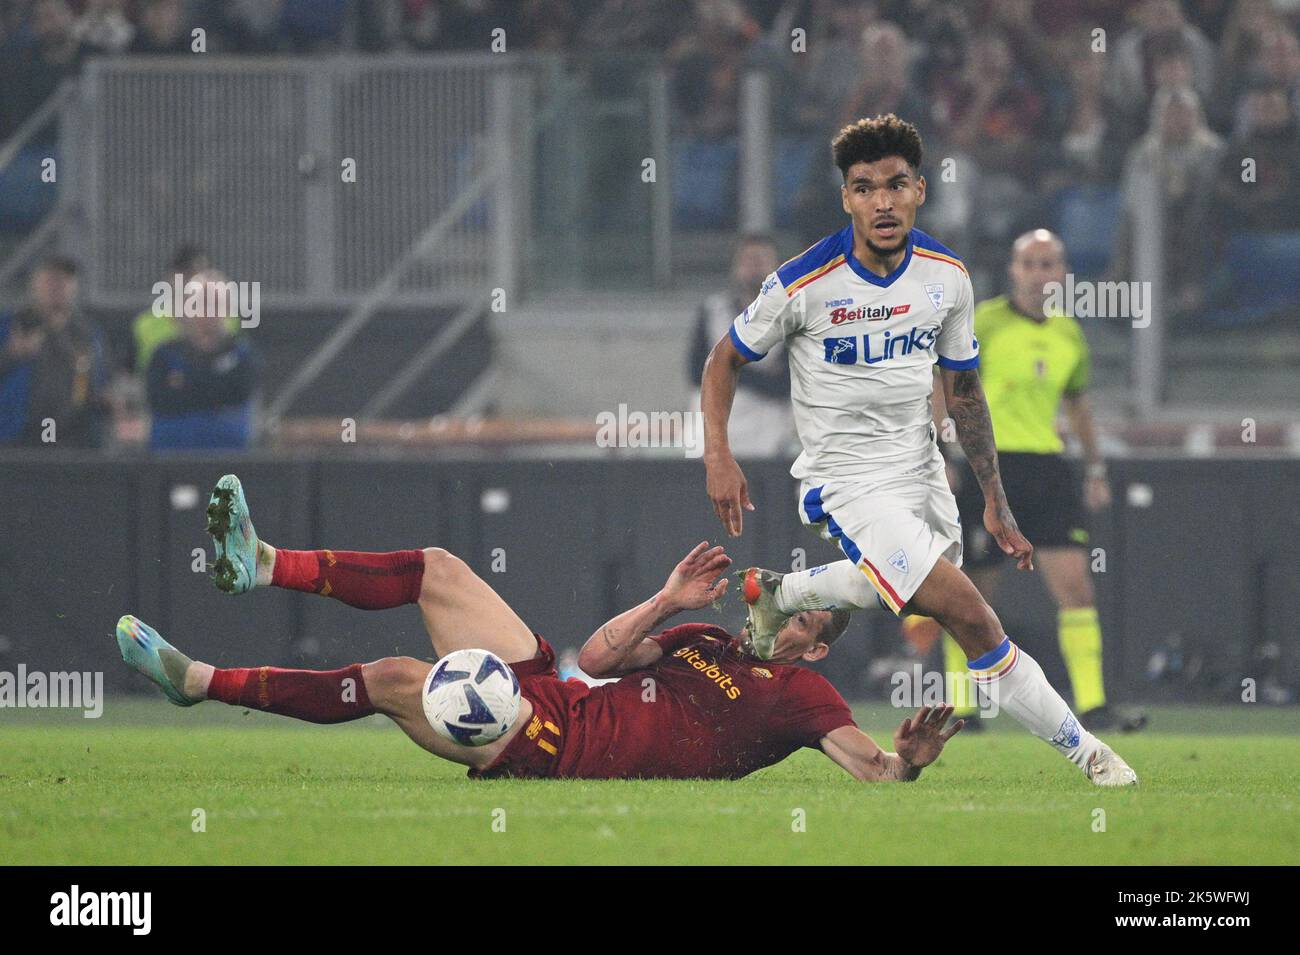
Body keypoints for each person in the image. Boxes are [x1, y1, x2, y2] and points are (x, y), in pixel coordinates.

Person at [700, 114, 1137, 786]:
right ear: (846, 198)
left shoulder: (946, 278)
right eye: (865, 188)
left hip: (923, 471)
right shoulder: (803, 282)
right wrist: (718, 457)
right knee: (970, 612)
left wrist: (993, 499)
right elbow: (722, 361)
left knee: (916, 599)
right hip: (847, 481)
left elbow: (963, 393)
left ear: (919, 191)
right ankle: (1093, 755)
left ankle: (784, 592)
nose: (882, 201)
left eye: (895, 185)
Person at [115, 474, 963, 783]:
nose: (780, 610)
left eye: (804, 616)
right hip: (553, 690)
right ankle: (263, 562)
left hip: (549, 746)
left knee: (388, 677)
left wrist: (910, 763)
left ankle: (196, 683)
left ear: (815, 644)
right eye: (787, 593)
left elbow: (874, 768)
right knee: (439, 567)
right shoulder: (705, 640)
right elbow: (596, 656)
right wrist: (669, 601)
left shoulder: (804, 694)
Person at [932, 230, 1146, 733]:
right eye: (1030, 264)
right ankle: (960, 709)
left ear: (1063, 272)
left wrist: (1094, 467)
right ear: (1014, 271)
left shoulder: (1069, 334)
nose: (1040, 273)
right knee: (968, 592)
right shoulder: (984, 321)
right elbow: (946, 386)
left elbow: (1077, 405)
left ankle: (1092, 704)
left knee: (1076, 589)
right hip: (988, 465)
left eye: (1049, 263)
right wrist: (942, 451)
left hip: (1047, 470)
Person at [688, 234, 794, 457]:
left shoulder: (793, 316)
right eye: (748, 260)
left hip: (769, 433)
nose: (754, 267)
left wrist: (727, 367)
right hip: (718, 427)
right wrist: (757, 373)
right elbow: (696, 372)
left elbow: (786, 383)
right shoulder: (712, 312)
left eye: (762, 259)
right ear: (735, 267)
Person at [0, 256, 108, 448]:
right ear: (34, 283)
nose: (56, 287)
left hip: (72, 435)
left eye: (64, 281)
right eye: (50, 280)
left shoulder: (87, 333)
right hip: (16, 434)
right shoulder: (9, 325)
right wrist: (12, 355)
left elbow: (96, 384)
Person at [145, 269, 260, 451]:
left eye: (215, 304)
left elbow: (238, 393)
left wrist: (186, 384)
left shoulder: (241, 354)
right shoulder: (164, 355)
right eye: (198, 304)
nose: (207, 313)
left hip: (228, 458)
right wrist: (214, 385)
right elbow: (159, 400)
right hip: (171, 457)